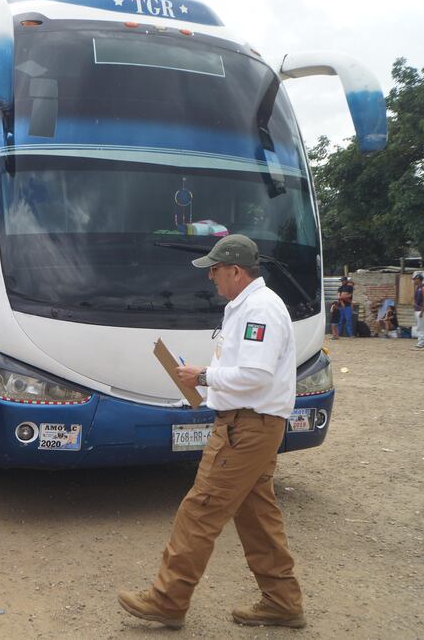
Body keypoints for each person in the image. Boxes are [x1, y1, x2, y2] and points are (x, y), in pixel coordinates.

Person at [118, 234, 305, 630]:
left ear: (236, 271)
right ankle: (282, 601)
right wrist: (207, 380)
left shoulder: (259, 309)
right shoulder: (249, 307)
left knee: (199, 510)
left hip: (245, 427)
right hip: (251, 425)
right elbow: (246, 370)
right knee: (257, 516)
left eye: (215, 270)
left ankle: (168, 599)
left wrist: (202, 374)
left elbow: (255, 375)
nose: (211, 278)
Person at [412, 272, 424, 350]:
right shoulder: (417, 288)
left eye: (415, 279)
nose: (414, 281)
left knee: (421, 327)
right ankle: (420, 342)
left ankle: (421, 344)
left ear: (419, 279)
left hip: (422, 310)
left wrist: (422, 311)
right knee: (419, 327)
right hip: (417, 309)